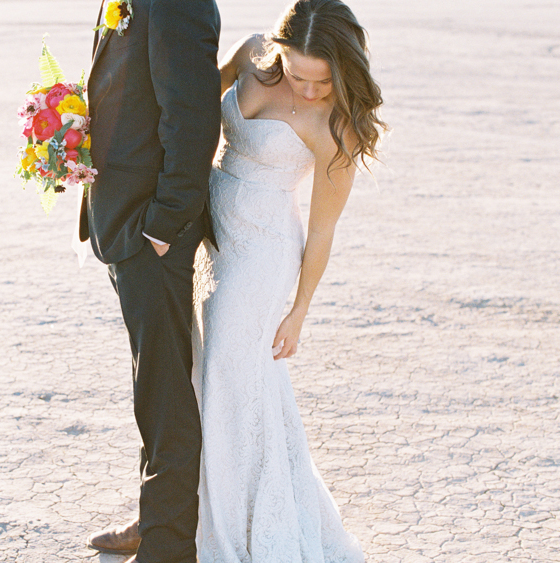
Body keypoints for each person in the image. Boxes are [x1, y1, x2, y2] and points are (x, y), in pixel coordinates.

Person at [192, 0, 386, 561]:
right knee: (215, 374)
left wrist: (298, 310)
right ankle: (191, 508)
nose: (306, 91)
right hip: (210, 235)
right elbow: (196, 102)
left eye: (321, 82)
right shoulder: (251, 53)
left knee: (232, 378)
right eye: (297, 74)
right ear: (275, 51)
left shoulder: (339, 126)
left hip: (262, 254)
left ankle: (235, 530)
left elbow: (322, 230)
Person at [80, 1, 222, 562]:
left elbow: (191, 118)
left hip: (151, 231)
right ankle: (156, 512)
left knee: (164, 394)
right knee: (154, 383)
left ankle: (167, 547)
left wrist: (161, 226)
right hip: (123, 221)